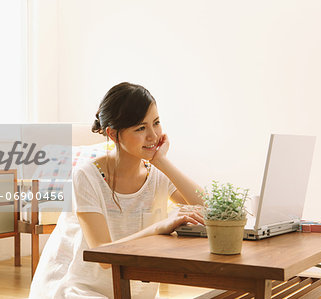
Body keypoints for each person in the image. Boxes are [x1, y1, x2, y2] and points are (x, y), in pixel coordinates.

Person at [29, 82, 204, 299]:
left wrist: (162, 162)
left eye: (156, 123)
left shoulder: (157, 173)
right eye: (140, 128)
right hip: (82, 290)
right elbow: (102, 256)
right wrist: (158, 228)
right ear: (113, 134)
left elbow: (213, 210)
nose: (153, 136)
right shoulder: (86, 176)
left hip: (134, 292)